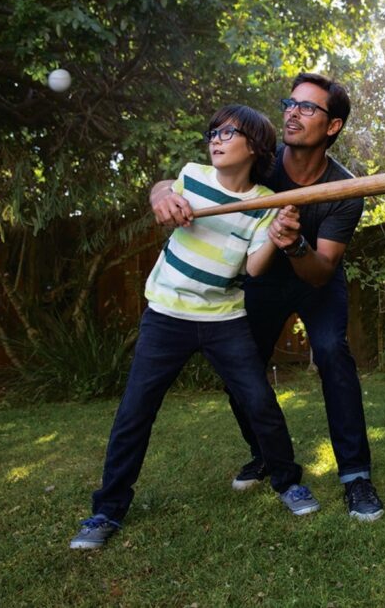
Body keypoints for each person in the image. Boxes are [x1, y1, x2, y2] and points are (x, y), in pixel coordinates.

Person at [70, 105, 319, 551]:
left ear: (255, 146)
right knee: (135, 412)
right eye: (213, 132)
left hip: (224, 319)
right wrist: (163, 198)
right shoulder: (192, 176)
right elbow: (165, 195)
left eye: (228, 132)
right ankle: (106, 509)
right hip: (166, 314)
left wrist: (280, 234)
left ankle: (287, 482)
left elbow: (254, 267)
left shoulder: (263, 203)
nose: (216, 138)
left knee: (259, 401)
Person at [151, 74, 384, 522]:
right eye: (290, 104)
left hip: (314, 276)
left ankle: (355, 476)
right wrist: (161, 191)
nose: (292, 113)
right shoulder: (261, 163)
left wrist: (294, 243)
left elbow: (322, 270)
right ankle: (266, 454)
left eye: (307, 108)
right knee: (239, 369)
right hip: (260, 277)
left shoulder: (345, 191)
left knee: (334, 354)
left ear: (332, 126)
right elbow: (195, 180)